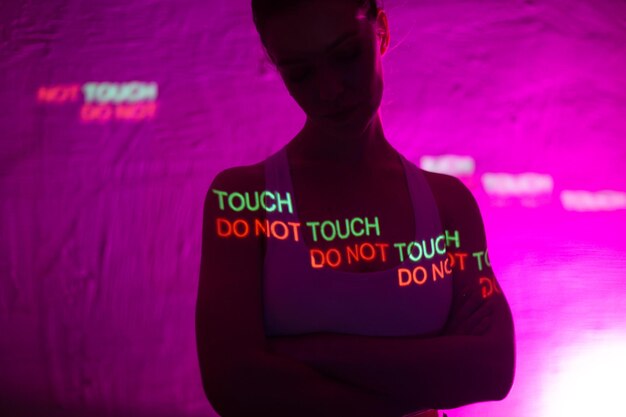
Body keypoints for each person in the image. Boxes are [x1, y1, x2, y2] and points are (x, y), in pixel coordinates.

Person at [195, 0, 515, 416]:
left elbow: (491, 368)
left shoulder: (447, 203)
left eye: (346, 54)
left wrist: (308, 354)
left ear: (381, 31)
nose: (329, 90)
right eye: (300, 72)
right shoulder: (243, 201)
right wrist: (429, 365)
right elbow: (233, 384)